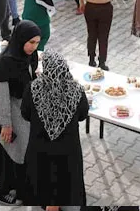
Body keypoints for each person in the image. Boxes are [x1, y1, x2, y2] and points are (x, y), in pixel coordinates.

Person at [21, 51, 89, 206]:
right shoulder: (77, 90)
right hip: (68, 151)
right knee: (68, 186)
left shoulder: (33, 88)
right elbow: (83, 115)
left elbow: (25, 114)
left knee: (40, 185)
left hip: (39, 150)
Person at [0, 21, 41, 205]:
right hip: (10, 114)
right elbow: (0, 96)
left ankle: (19, 188)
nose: (34, 47)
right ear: (21, 40)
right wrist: (6, 125)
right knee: (11, 153)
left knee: (20, 153)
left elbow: (30, 75)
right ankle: (2, 191)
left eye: (37, 42)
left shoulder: (28, 56)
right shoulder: (6, 62)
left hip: (24, 112)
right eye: (31, 42)